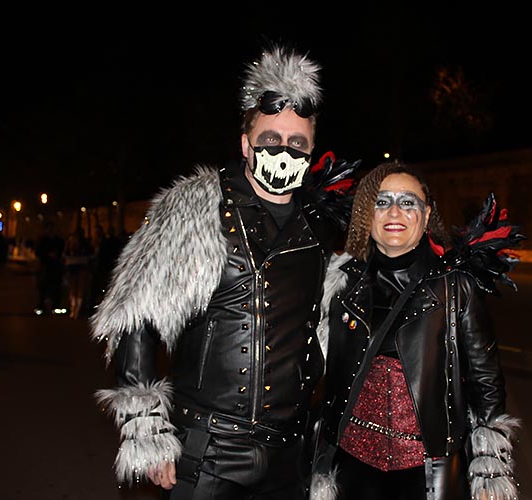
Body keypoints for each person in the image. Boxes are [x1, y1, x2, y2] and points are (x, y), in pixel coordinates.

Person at [91, 44, 359, 500]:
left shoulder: (318, 227)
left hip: (287, 458)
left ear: (311, 150)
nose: (284, 150)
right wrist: (147, 428)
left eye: (297, 143)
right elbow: (138, 317)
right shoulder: (197, 208)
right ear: (246, 144)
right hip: (207, 453)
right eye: (271, 138)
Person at [310, 162, 525, 500]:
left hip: (429, 472)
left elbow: (486, 384)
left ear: (425, 217)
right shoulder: (340, 283)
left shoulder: (456, 286)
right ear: (367, 215)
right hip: (351, 470)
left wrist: (490, 471)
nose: (394, 211)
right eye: (382, 201)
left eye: (408, 202)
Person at [34, 221, 65, 315]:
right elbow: (38, 252)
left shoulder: (58, 240)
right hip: (46, 266)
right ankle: (41, 306)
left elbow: (62, 251)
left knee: (56, 286)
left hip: (55, 266)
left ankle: (55, 306)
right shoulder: (42, 240)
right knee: (44, 287)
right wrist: (47, 255)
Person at [63, 228, 93, 319]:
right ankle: (75, 309)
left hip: (76, 267)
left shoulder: (81, 244)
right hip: (77, 267)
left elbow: (65, 255)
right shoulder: (71, 244)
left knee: (76, 289)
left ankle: (75, 309)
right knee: (77, 289)